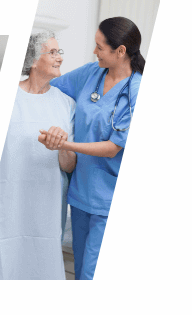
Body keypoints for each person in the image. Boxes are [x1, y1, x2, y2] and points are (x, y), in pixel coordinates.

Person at [45, 16, 144, 280]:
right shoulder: (91, 73)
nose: (94, 51)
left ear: (120, 51)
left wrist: (64, 144)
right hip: (80, 193)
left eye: (100, 47)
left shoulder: (137, 91)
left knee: (91, 275)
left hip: (109, 199)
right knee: (80, 271)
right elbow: (50, 87)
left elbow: (112, 147)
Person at [0, 32, 76, 280]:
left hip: (47, 212)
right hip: (7, 209)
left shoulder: (66, 104)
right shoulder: (4, 99)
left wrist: (63, 145)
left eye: (59, 52)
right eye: (52, 52)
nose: (59, 58)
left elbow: (69, 166)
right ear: (33, 60)